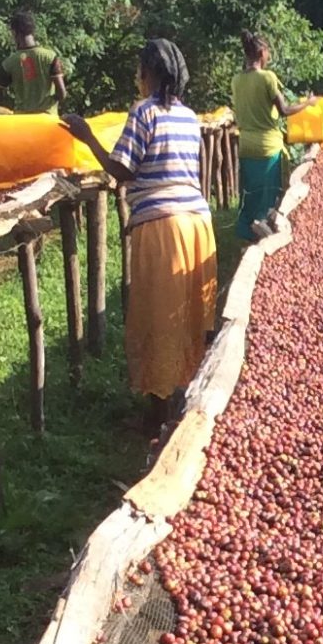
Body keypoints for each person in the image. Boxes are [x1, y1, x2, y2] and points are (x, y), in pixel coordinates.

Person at [62, 38, 218, 436]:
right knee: (190, 316)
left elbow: (123, 169)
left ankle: (158, 416)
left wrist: (86, 137)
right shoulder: (188, 116)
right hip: (198, 225)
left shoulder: (145, 112)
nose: (136, 78)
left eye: (138, 71)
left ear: (149, 74)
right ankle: (188, 397)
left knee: (158, 318)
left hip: (163, 228)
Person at [230, 30, 315, 240]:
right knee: (268, 195)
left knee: (249, 192)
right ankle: (263, 236)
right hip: (267, 146)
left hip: (246, 144)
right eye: (268, 52)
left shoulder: (236, 80)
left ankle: (245, 231)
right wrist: (308, 103)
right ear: (261, 53)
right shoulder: (268, 78)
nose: (269, 57)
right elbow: (285, 110)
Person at [0, 10, 69, 116]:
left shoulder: (9, 63)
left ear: (14, 33)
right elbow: (62, 93)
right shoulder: (50, 57)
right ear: (33, 31)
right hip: (47, 121)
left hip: (22, 122)